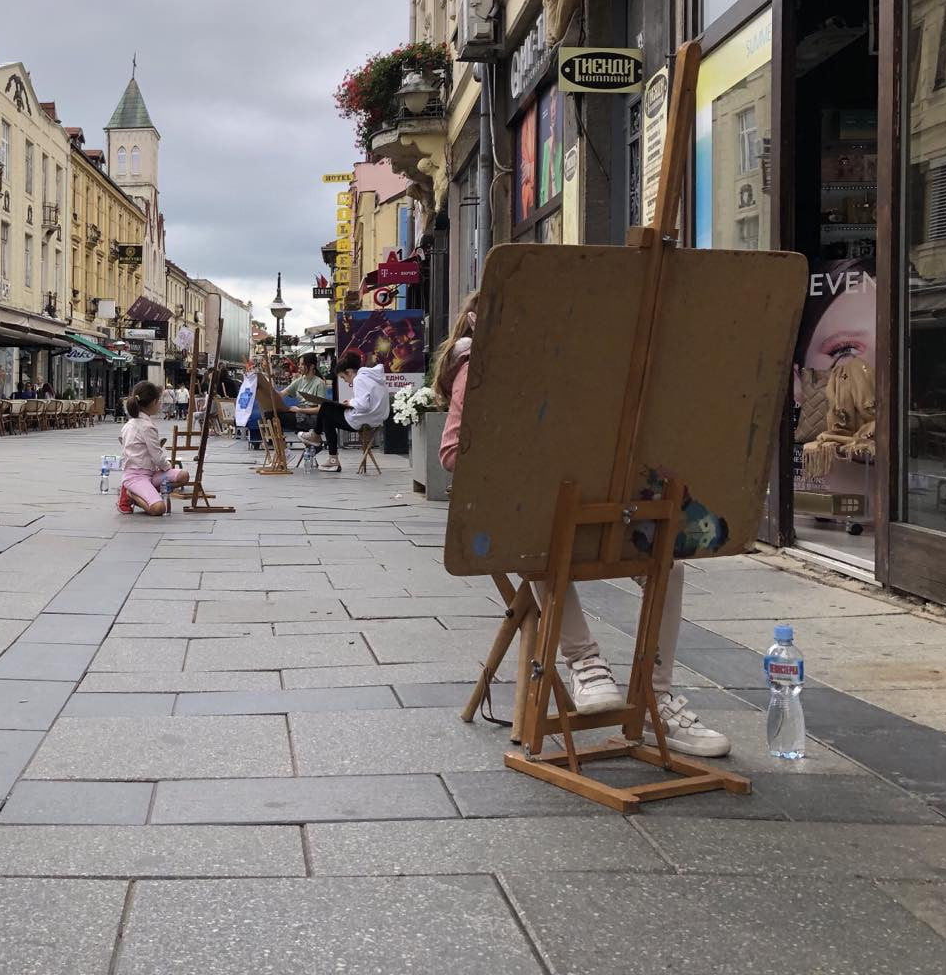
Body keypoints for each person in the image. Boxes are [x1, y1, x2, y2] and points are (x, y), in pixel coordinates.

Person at [434, 294, 730, 757]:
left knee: (667, 565)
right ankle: (585, 662)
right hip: (529, 517)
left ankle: (655, 697)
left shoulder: (570, 361)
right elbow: (452, 452)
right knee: (538, 549)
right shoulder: (477, 368)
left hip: (591, 505)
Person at [298, 349, 390, 473]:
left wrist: (351, 403)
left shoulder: (359, 379)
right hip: (374, 419)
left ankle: (318, 438)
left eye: (343, 377)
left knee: (325, 407)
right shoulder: (373, 378)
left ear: (349, 372)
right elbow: (368, 401)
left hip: (362, 419)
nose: (346, 381)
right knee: (328, 414)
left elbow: (363, 404)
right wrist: (351, 402)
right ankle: (328, 453)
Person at [117, 381, 191, 515]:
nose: (160, 404)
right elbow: (157, 456)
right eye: (159, 401)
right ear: (153, 403)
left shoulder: (129, 424)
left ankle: (147, 491)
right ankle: (131, 494)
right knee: (158, 508)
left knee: (183, 475)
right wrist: (167, 467)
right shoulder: (147, 427)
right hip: (136, 476)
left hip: (151, 473)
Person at [280, 352, 328, 435]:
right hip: (301, 414)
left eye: (302, 364)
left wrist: (300, 410)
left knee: (276, 417)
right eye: (299, 364)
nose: (299, 366)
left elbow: (320, 409)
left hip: (311, 417)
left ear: (312, 366)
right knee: (270, 415)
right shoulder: (300, 380)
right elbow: (281, 394)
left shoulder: (319, 383)